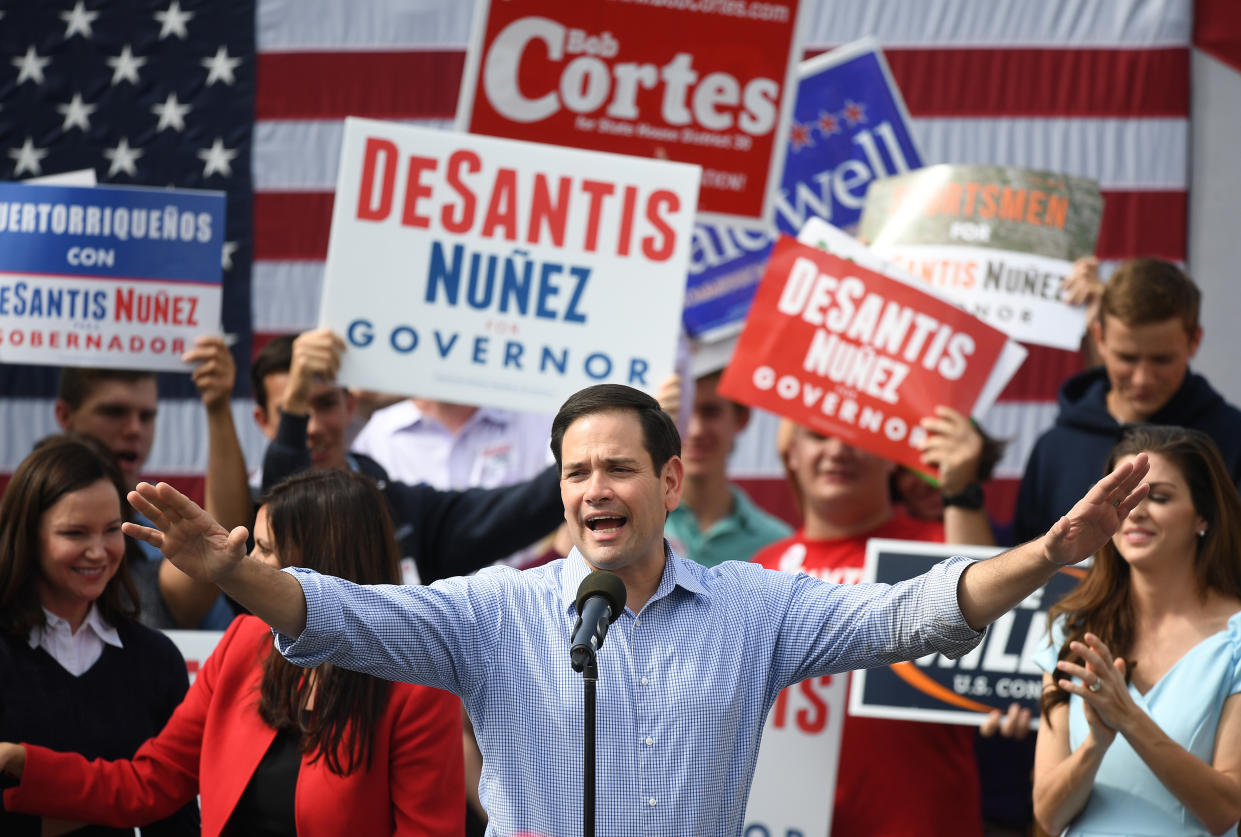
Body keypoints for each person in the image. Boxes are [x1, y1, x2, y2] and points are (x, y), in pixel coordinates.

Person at [117, 383, 1149, 836]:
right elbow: (349, 615)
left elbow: (909, 615)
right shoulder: (497, 610)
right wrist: (239, 574)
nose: (593, 490)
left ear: (667, 480)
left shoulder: (755, 607)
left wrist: (1047, 553)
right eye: (574, 474)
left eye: (617, 468)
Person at [0, 468, 466, 837]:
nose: (248, 565)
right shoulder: (245, 643)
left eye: (262, 549)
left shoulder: (419, 686)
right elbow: (148, 785)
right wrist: (21, 760)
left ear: (323, 566)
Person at [754, 420, 1008, 836]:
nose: (837, 450)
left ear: (892, 458)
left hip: (922, 820)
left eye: (856, 437)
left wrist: (962, 490)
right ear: (791, 454)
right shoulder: (759, 568)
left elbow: (994, 637)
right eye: (818, 436)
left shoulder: (938, 548)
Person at [1031, 426, 1241, 836]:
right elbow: (1049, 815)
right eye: (1121, 500)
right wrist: (1095, 744)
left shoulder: (1236, 637)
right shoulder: (1070, 628)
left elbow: (1226, 810)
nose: (1136, 512)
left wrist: (1127, 717)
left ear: (1204, 516)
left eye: (1159, 497)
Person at [247, 330, 565, 584]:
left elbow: (522, 509)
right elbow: (287, 503)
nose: (312, 427)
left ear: (350, 406)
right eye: (298, 409)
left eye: (326, 404)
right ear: (266, 421)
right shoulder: (257, 504)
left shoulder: (399, 506)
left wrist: (584, 458)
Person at [0, 435, 199, 836]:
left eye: (111, 530)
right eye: (75, 533)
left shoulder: (156, 659)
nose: (98, 551)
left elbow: (175, 814)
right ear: (28, 536)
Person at [1014, 258, 1241, 544]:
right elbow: (1025, 570)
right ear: (1100, 339)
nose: (1142, 378)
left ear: (1195, 340)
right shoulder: (1054, 447)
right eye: (1127, 358)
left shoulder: (1232, 440)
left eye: (1162, 359)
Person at [55, 339, 246, 629]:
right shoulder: (18, 524)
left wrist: (218, 406)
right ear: (65, 416)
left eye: (147, 416)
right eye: (114, 412)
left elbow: (221, 543)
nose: (134, 429)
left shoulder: (160, 524)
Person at [659, 371, 791, 567]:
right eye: (682, 413)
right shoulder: (637, 528)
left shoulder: (779, 545)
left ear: (741, 418)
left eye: (711, 412)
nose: (696, 430)